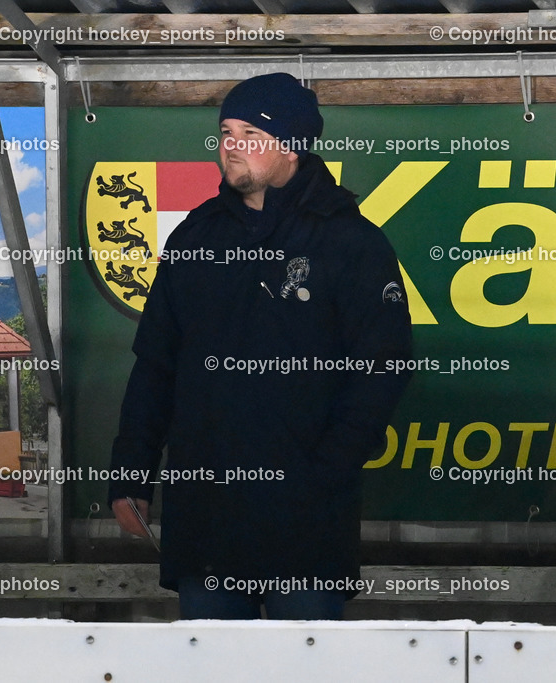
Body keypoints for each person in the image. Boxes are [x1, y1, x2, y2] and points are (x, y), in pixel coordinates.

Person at [109, 72, 413, 620]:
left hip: (308, 520)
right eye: (226, 130)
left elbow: (383, 369)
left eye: (250, 132)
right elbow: (155, 365)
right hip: (206, 516)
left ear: (293, 145)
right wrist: (131, 474)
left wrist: (326, 471)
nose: (230, 145)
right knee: (214, 669)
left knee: (306, 669)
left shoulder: (352, 242)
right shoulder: (194, 238)